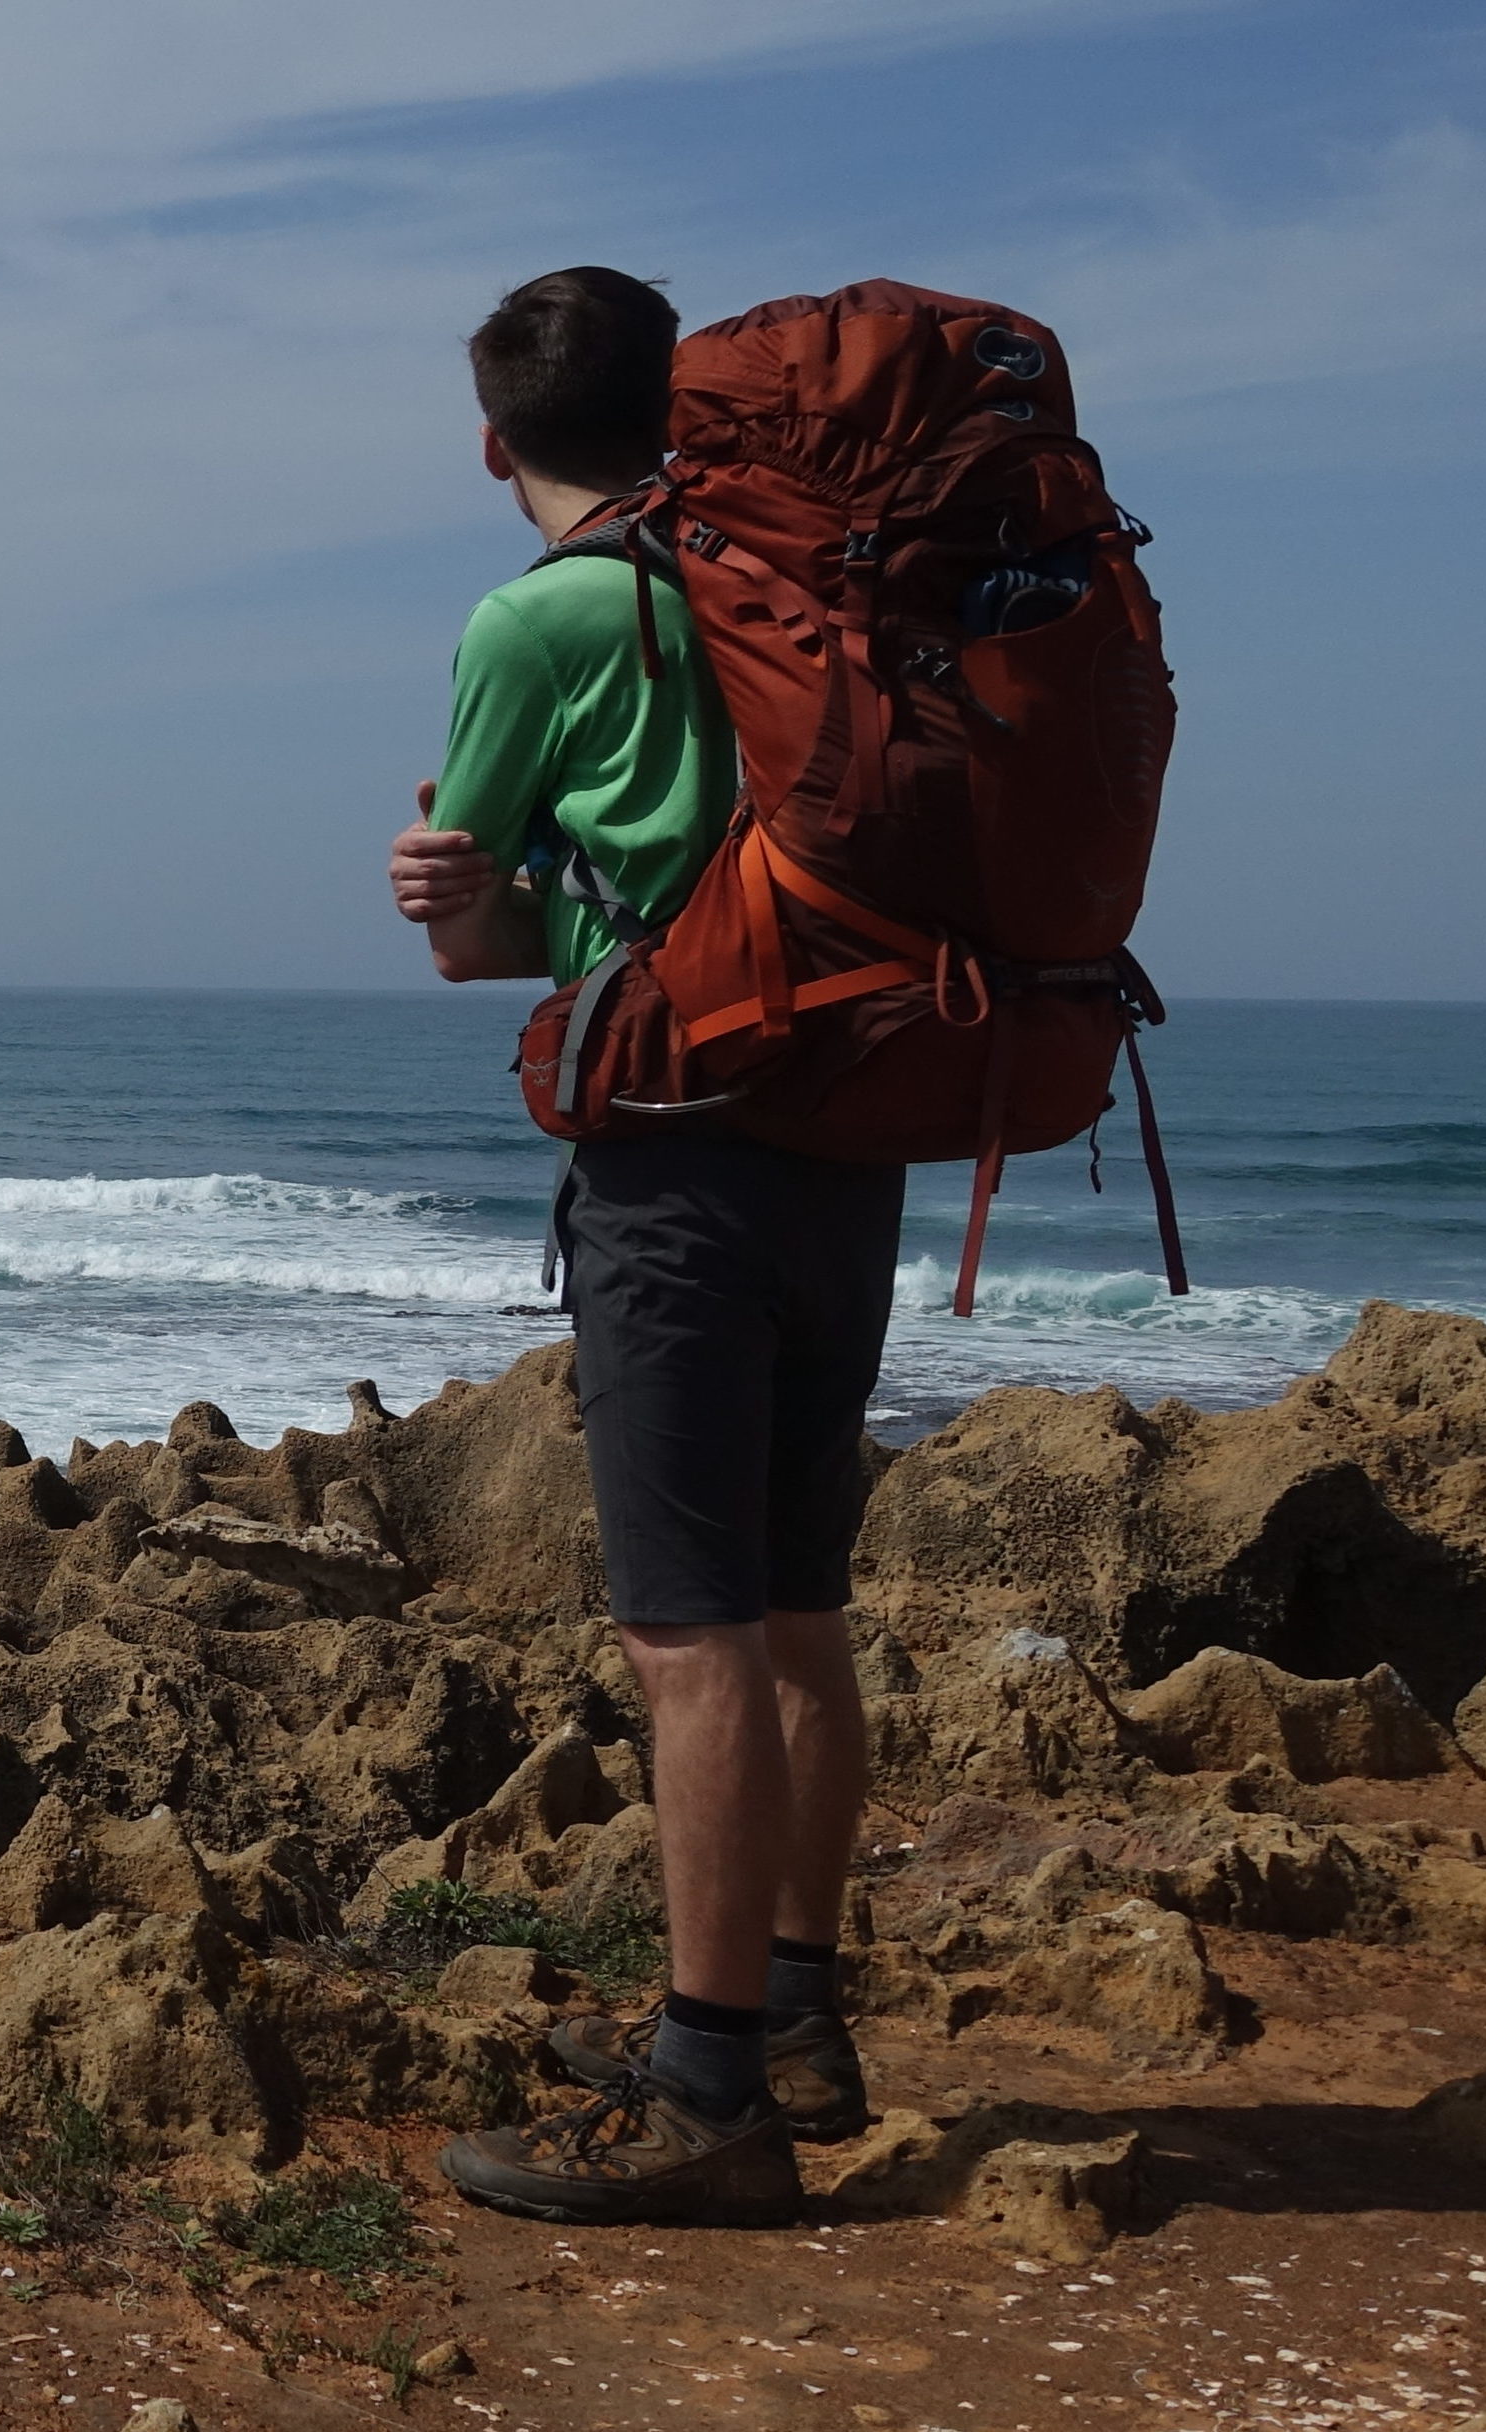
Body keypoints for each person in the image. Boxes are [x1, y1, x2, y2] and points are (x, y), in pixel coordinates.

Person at [390, 266, 894, 2225]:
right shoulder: (799, 586)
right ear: (681, 415)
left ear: (494, 444)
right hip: (845, 1143)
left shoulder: (534, 621)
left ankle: (704, 2100)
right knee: (793, 1610)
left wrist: (443, 879)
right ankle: (796, 2011)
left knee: (680, 1641)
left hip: (672, 1164)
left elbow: (489, 944)